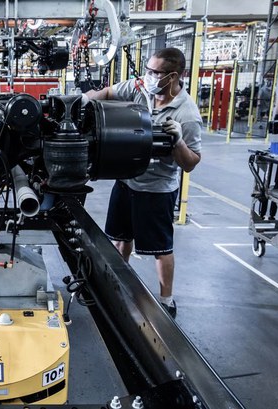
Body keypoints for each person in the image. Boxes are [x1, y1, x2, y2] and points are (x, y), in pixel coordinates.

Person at [84, 47, 202, 318]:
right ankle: (116, 284)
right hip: (127, 181)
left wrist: (178, 141)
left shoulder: (187, 114)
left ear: (172, 76)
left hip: (156, 190)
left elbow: (191, 162)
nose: (147, 76)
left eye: (154, 72)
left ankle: (166, 300)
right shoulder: (140, 89)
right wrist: (83, 101)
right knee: (120, 239)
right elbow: (107, 94)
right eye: (147, 70)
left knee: (160, 249)